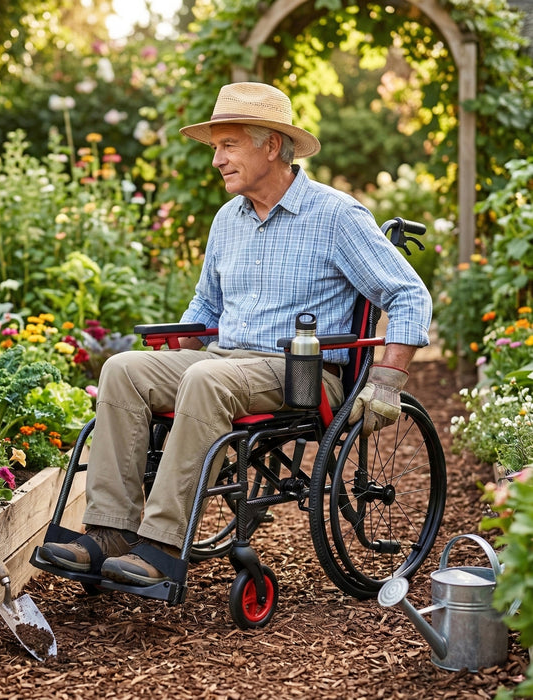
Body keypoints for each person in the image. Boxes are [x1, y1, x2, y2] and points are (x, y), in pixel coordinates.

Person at [42, 81, 432, 586]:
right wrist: (169, 358)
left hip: (303, 372)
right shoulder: (229, 218)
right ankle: (112, 532)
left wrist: (387, 380)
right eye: (216, 147)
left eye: (229, 145)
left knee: (205, 382)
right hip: (226, 359)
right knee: (124, 370)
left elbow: (408, 294)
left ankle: (160, 545)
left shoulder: (337, 216)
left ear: (271, 145)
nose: (216, 160)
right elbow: (206, 305)